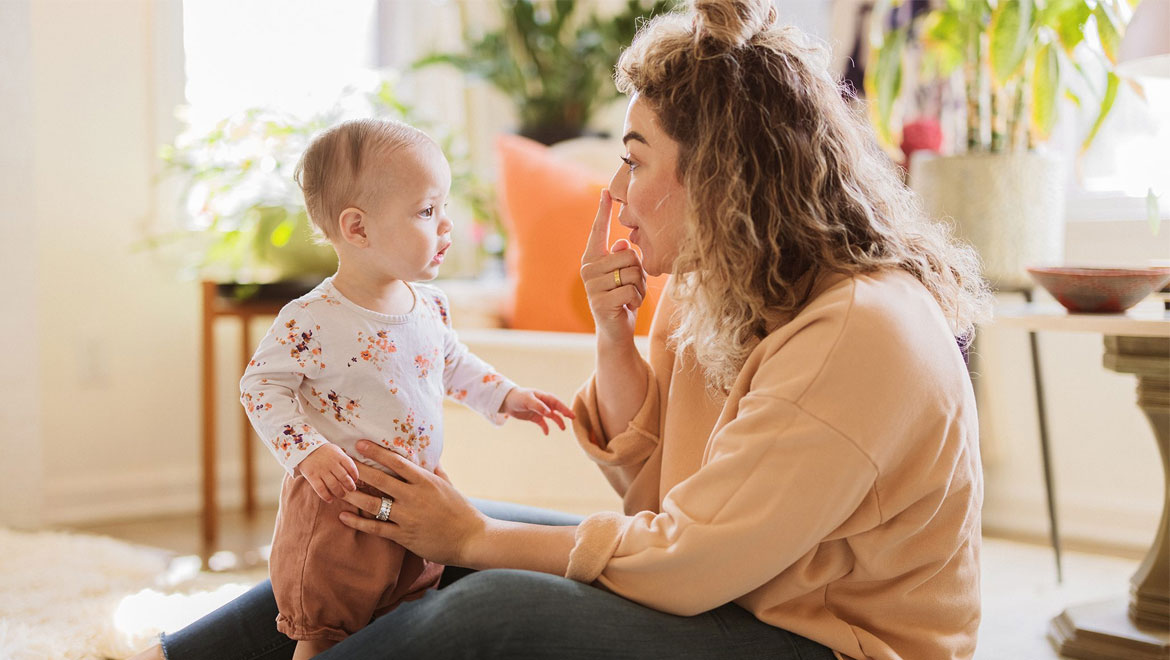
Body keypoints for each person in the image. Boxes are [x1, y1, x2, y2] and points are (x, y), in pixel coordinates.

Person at [130, 0, 990, 658]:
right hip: (738, 597)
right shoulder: (719, 291)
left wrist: (472, 537)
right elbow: (656, 501)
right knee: (382, 520)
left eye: (635, 157)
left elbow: (686, 561)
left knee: (489, 604)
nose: (612, 189)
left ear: (719, 176)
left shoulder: (859, 332)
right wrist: (613, 335)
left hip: (827, 644)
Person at [236, 118, 575, 659]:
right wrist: (308, 451)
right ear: (358, 228)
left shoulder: (429, 305)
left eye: (444, 207)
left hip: (416, 494)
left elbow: (452, 363)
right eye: (426, 211)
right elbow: (260, 388)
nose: (446, 226)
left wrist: (505, 395)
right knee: (324, 630)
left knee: (401, 617)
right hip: (338, 506)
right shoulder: (311, 319)